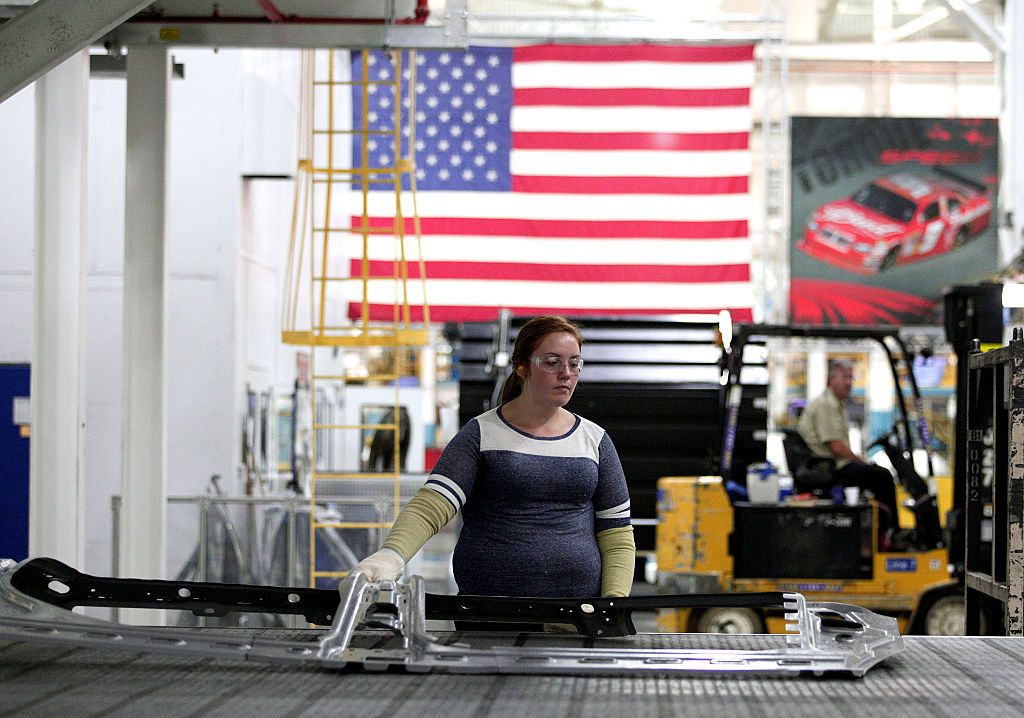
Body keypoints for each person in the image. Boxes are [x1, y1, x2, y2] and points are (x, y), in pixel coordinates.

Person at [353, 315, 636, 601]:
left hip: (576, 614)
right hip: (487, 613)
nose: (566, 373)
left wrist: (613, 603)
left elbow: (617, 535)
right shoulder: (482, 434)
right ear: (521, 367)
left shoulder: (594, 440)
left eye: (574, 363)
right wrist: (389, 557)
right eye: (552, 362)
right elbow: (431, 507)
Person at [797, 359, 903, 549]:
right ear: (831, 378)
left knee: (875, 474)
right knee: (882, 476)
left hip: (831, 465)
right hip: (829, 467)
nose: (849, 383)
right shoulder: (825, 404)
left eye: (851, 378)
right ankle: (891, 535)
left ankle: (881, 533)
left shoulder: (835, 404)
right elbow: (836, 446)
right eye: (845, 377)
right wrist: (861, 461)